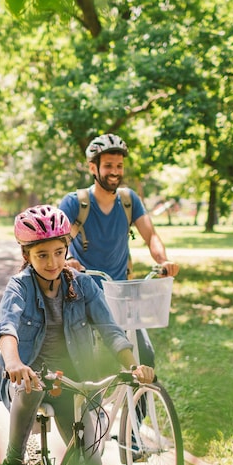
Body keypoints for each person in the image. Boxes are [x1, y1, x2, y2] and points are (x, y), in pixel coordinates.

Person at [0, 204, 154, 465]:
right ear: (26, 255)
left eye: (59, 253)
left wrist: (132, 365)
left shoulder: (83, 285)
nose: (52, 262)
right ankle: (14, 459)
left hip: (68, 381)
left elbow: (110, 329)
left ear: (67, 249)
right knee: (31, 387)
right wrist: (13, 363)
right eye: (42, 255)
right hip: (27, 376)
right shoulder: (19, 287)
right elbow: (7, 328)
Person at [59, 133, 179, 367]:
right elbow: (58, 242)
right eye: (108, 166)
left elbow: (151, 235)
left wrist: (164, 261)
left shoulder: (129, 200)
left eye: (119, 166)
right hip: (86, 294)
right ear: (93, 168)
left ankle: (139, 403)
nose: (115, 171)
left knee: (144, 356)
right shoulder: (75, 202)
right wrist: (69, 259)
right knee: (90, 363)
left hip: (122, 293)